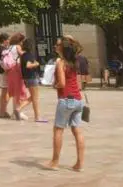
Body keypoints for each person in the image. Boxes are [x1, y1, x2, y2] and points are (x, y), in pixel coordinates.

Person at [45, 36, 86, 172]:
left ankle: (55, 162)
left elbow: (62, 83)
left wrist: (54, 85)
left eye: (57, 45)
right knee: (77, 131)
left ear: (62, 47)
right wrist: (67, 38)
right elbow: (78, 45)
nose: (55, 47)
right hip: (78, 100)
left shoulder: (61, 62)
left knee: (58, 130)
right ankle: (79, 163)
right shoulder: (75, 60)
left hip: (66, 99)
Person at [4, 33, 30, 120]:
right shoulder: (17, 47)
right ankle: (18, 112)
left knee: (14, 92)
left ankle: (14, 112)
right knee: (20, 91)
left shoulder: (9, 47)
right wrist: (27, 52)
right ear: (19, 41)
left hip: (10, 71)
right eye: (22, 41)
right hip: (16, 70)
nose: (22, 43)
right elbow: (22, 54)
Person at [21, 38, 46, 123]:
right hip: (32, 77)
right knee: (35, 98)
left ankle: (18, 109)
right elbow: (28, 65)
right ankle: (37, 117)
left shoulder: (23, 55)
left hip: (27, 78)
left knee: (32, 97)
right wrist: (36, 63)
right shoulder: (29, 55)